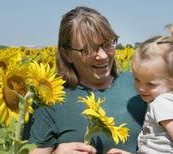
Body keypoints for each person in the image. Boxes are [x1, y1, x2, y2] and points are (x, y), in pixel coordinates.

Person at [27, 6, 146, 154]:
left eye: (108, 44)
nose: (103, 55)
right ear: (67, 54)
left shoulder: (141, 85)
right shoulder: (50, 98)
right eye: (88, 49)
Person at [131, 24, 173, 153]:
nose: (141, 88)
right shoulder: (168, 100)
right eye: (136, 79)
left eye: (150, 84)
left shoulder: (163, 104)